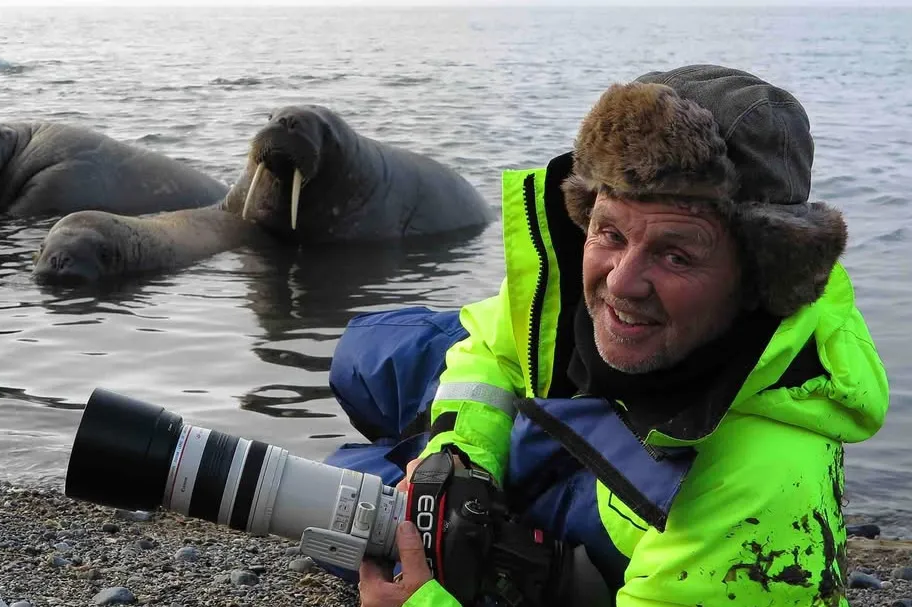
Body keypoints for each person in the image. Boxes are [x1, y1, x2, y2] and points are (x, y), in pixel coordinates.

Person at [322, 64, 889, 606]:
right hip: (597, 441)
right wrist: (460, 459)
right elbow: (495, 347)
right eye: (610, 232)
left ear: (759, 279)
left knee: (343, 503)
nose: (621, 283)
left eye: (675, 253)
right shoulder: (583, 281)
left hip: (653, 497)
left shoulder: (762, 497)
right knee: (367, 353)